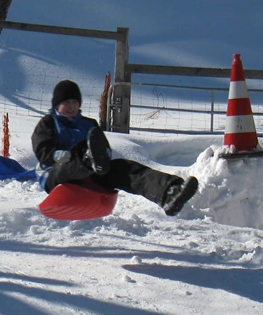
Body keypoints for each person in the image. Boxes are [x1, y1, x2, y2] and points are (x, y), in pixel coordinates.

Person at [32, 79, 199, 216]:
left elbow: (104, 150)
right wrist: (74, 155)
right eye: (66, 102)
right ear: (56, 104)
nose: (71, 106)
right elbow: (44, 153)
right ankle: (87, 158)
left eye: (74, 102)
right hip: (56, 175)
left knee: (124, 168)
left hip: (91, 174)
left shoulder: (89, 124)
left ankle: (169, 192)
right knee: (73, 159)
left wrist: (101, 156)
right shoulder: (48, 123)